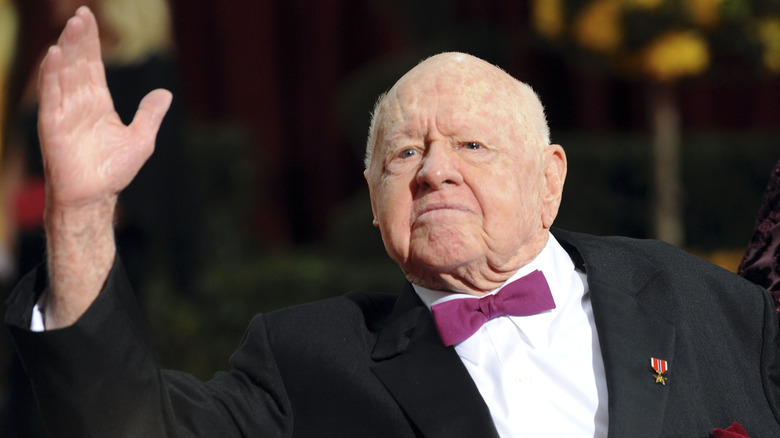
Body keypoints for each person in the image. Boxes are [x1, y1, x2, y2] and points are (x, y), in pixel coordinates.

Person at [5, 6, 780, 437]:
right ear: (376, 201)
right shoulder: (308, 360)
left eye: (472, 145)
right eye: (405, 152)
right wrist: (80, 214)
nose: (436, 169)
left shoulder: (702, 302)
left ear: (550, 180)